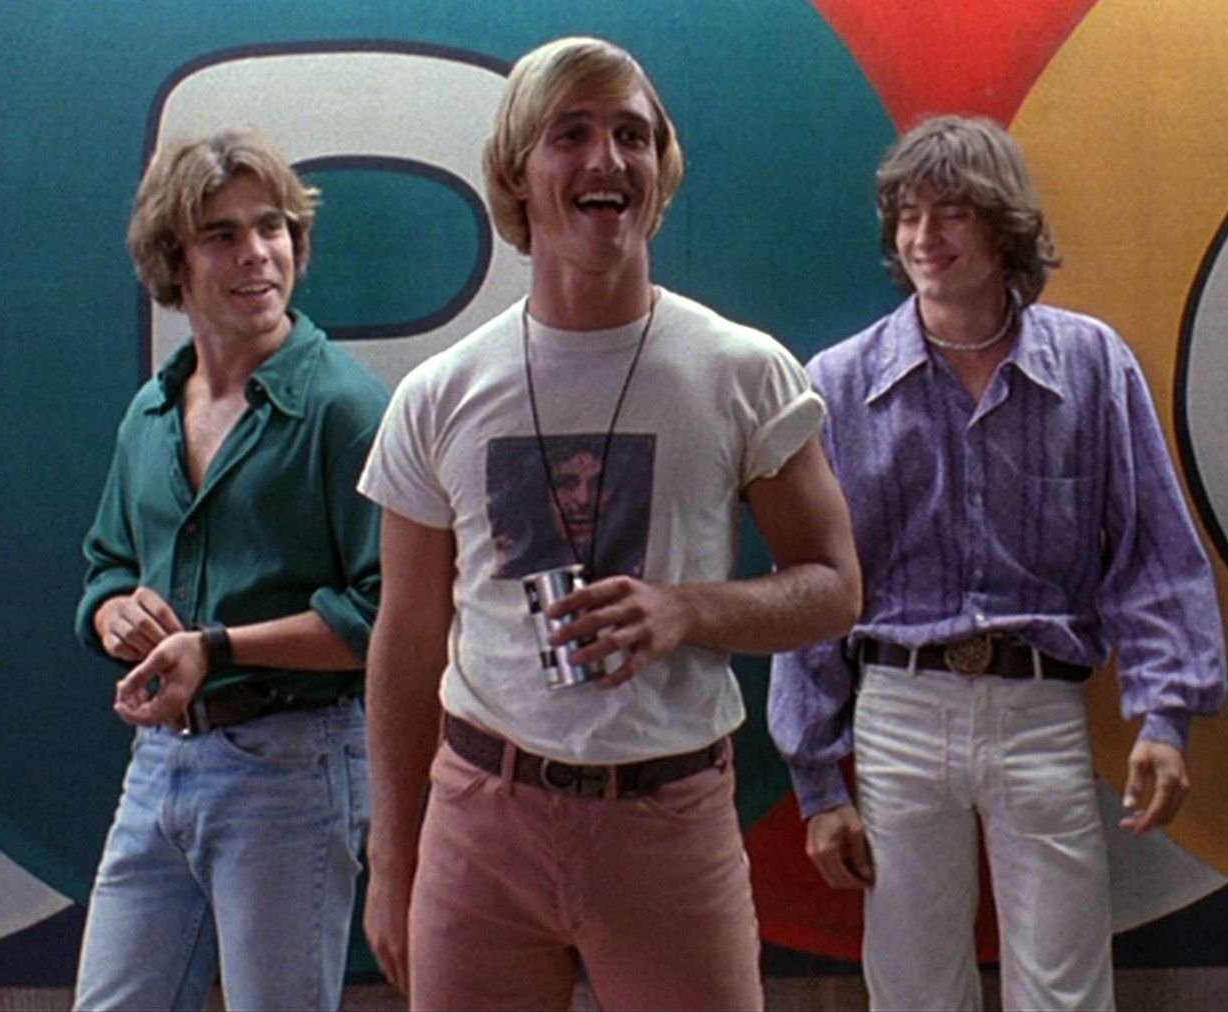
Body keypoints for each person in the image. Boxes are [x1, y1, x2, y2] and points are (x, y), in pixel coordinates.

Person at [356, 36, 861, 1011]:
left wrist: (685, 609)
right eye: (571, 134)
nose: (607, 159)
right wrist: (394, 856)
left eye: (632, 135)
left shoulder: (741, 371)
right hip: (481, 823)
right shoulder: (439, 394)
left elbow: (834, 590)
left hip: (666, 822)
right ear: (517, 171)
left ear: (660, 169)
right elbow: (406, 639)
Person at [769, 115, 1228, 1011]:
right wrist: (817, 781)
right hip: (896, 707)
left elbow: (1154, 551)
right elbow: (814, 587)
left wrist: (1167, 716)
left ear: (1004, 224)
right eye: (907, 214)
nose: (922, 237)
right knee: (912, 992)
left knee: (1065, 992)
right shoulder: (839, 383)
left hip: (1039, 708)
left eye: (951, 212)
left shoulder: (1090, 366)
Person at [72, 128, 387, 1011]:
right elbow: (105, 567)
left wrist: (215, 647)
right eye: (221, 234)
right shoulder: (151, 412)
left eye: (272, 226)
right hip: (159, 762)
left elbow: (387, 619)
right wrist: (114, 615)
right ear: (172, 262)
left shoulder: (346, 409)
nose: (256, 253)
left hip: (294, 763)